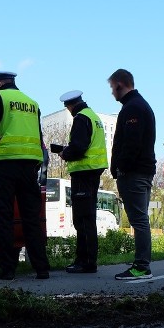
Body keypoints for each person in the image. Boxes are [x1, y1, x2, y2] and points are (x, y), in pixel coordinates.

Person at [0, 71, 50, 280]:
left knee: (4, 217)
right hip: (29, 166)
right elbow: (38, 134)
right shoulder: (31, 103)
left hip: (5, 164)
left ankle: (8, 270)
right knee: (31, 218)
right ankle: (42, 268)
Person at [49, 90, 108, 274]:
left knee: (82, 220)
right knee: (88, 218)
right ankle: (88, 261)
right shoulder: (93, 116)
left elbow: (80, 147)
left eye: (67, 108)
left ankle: (85, 262)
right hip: (91, 172)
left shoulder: (81, 118)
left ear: (70, 105)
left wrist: (65, 153)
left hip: (83, 173)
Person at [107, 69, 156, 280]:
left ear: (119, 84)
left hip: (134, 172)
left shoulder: (133, 108)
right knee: (140, 219)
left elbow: (131, 144)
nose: (112, 93)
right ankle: (142, 264)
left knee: (139, 220)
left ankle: (142, 266)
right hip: (142, 171)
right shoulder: (139, 105)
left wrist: (122, 167)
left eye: (112, 88)